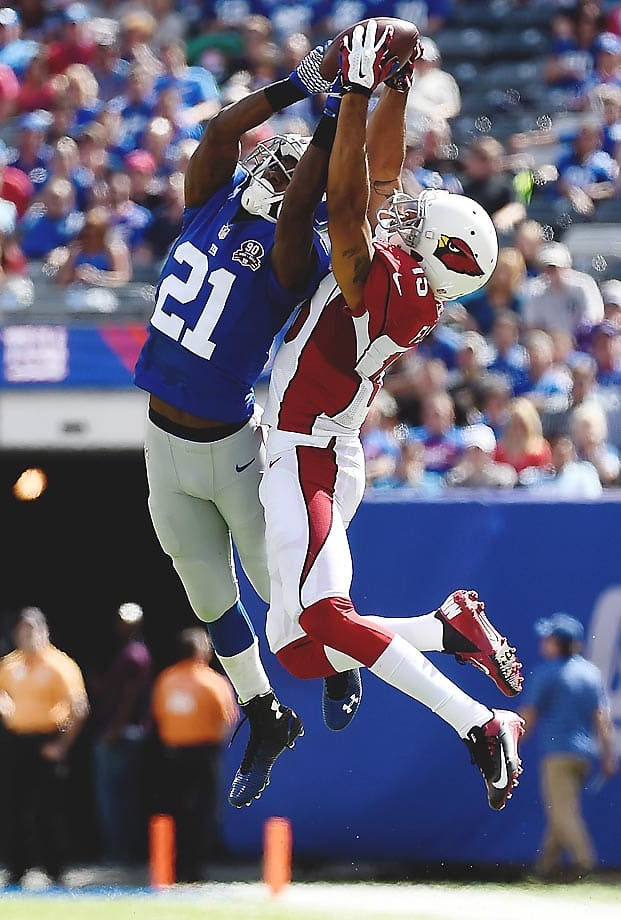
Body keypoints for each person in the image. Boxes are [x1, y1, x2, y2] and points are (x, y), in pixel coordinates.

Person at [260, 22, 525, 812]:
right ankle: (447, 628)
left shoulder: (389, 286)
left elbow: (350, 201)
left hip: (307, 454)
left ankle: (479, 723)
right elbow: (376, 180)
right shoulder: (411, 284)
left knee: (321, 617)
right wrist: (396, 90)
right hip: (315, 448)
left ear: (438, 253)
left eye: (419, 224)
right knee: (298, 650)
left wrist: (354, 91)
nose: (404, 216)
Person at [133, 41, 337, 809]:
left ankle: (346, 661)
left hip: (227, 448)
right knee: (205, 594)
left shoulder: (294, 252)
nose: (273, 172)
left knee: (280, 592)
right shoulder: (209, 199)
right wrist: (300, 85)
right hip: (160, 442)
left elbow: (299, 207)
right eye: (273, 161)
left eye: (291, 172)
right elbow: (221, 131)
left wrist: (332, 124)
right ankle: (264, 714)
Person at [0, 606, 89, 886]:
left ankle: (54, 868)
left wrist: (61, 745)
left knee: (49, 807)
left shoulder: (60, 664)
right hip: (17, 741)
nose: (27, 635)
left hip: (47, 740)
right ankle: (17, 868)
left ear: (44, 631)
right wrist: (2, 705)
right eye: (22, 630)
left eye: (32, 629)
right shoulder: (10, 664)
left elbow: (79, 708)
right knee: (14, 806)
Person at [518, 613, 617, 881]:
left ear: (558, 643)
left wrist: (511, 744)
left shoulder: (547, 673)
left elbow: (529, 715)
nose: (543, 642)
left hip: (558, 755)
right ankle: (545, 867)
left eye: (548, 638)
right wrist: (608, 756)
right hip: (584, 756)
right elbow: (602, 719)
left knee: (562, 812)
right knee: (562, 810)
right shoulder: (590, 673)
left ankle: (586, 864)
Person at [151, 628, 238, 882]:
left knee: (176, 809)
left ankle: (173, 866)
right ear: (202, 651)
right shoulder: (212, 682)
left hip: (174, 753)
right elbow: (227, 719)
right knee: (204, 810)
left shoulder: (166, 679)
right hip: (205, 753)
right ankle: (196, 867)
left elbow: (158, 715)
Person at [91, 602, 153, 866]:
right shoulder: (127, 653)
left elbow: (130, 696)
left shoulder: (134, 655)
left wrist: (115, 729)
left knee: (115, 798)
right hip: (123, 731)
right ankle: (122, 851)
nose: (121, 626)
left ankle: (120, 853)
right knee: (122, 795)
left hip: (123, 733)